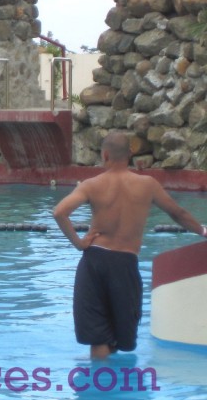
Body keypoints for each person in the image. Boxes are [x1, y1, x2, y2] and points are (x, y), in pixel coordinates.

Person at [53, 132, 207, 359]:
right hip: (125, 263)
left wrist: (78, 242)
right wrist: (204, 231)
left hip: (94, 260)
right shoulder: (148, 185)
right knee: (121, 337)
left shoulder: (92, 185)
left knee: (98, 337)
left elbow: (59, 212)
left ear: (105, 155)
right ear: (131, 154)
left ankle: (99, 388)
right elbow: (178, 213)